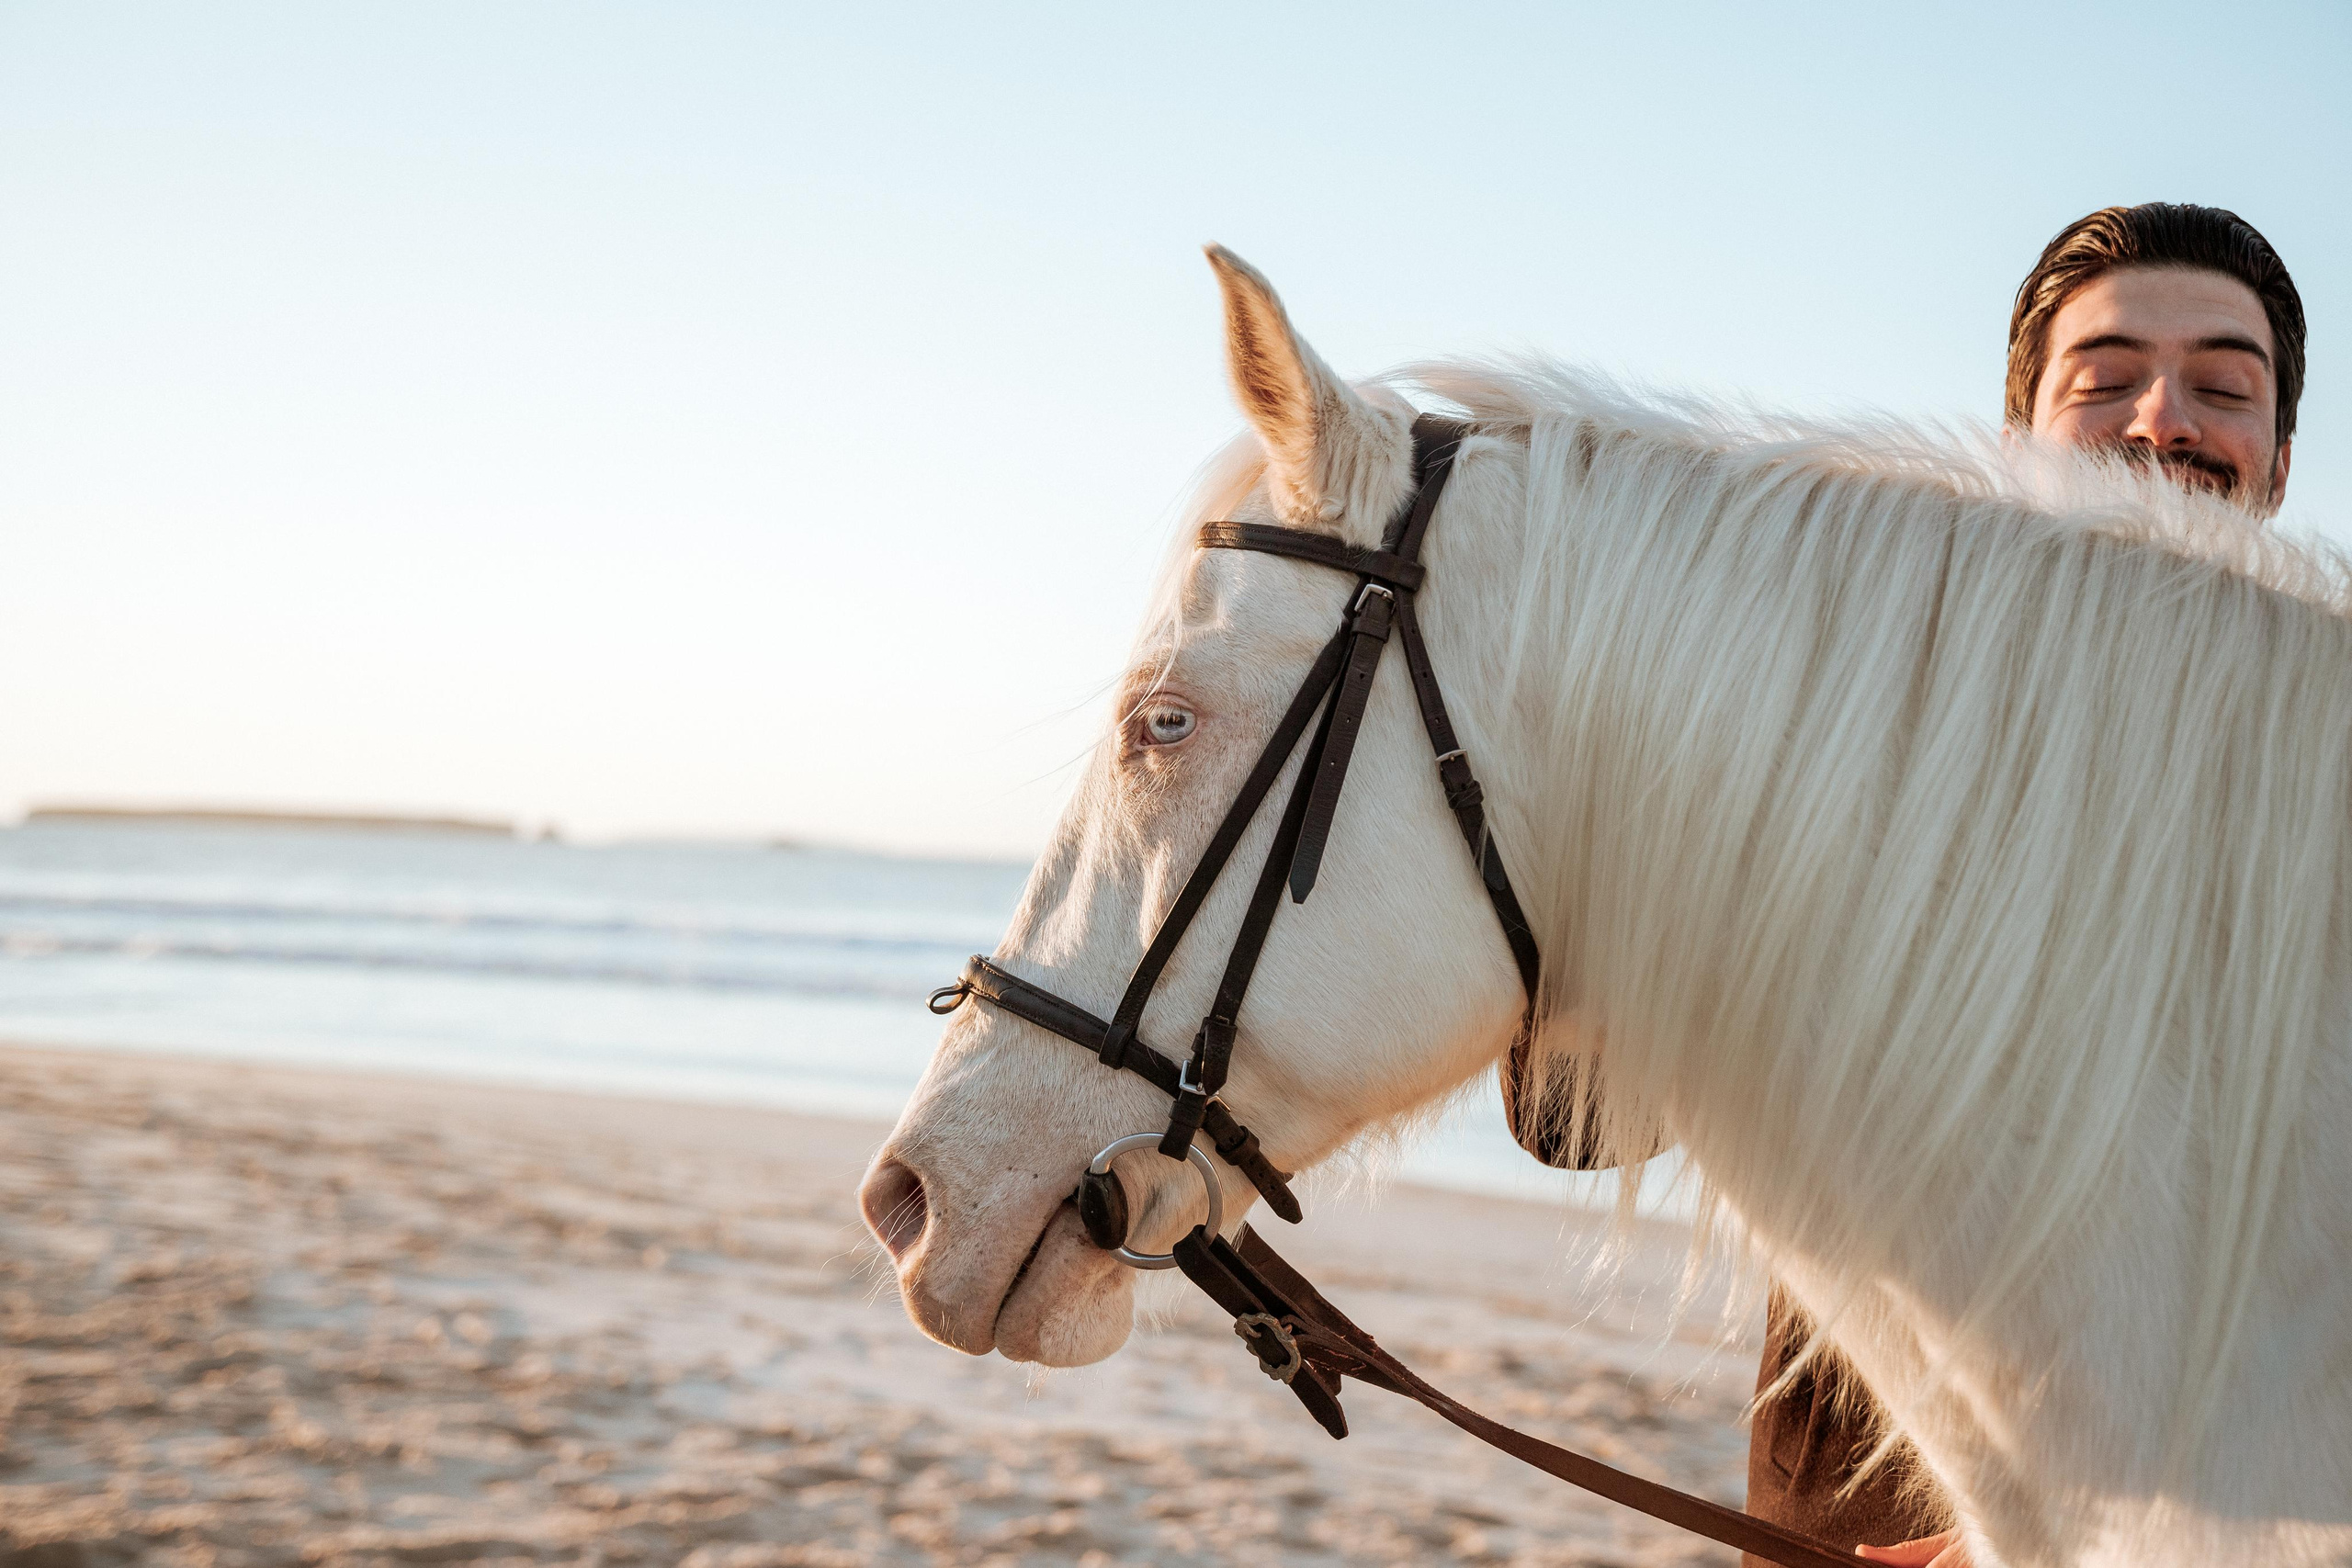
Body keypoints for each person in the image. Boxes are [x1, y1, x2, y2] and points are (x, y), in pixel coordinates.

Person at [1740, 202, 2308, 1568]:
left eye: (2221, 387)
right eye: (2104, 379)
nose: (2160, 419)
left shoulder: (2318, 768)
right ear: (2019, 439)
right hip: (1849, 1525)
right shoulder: (1860, 709)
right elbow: (1571, 1119)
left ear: (2277, 462)